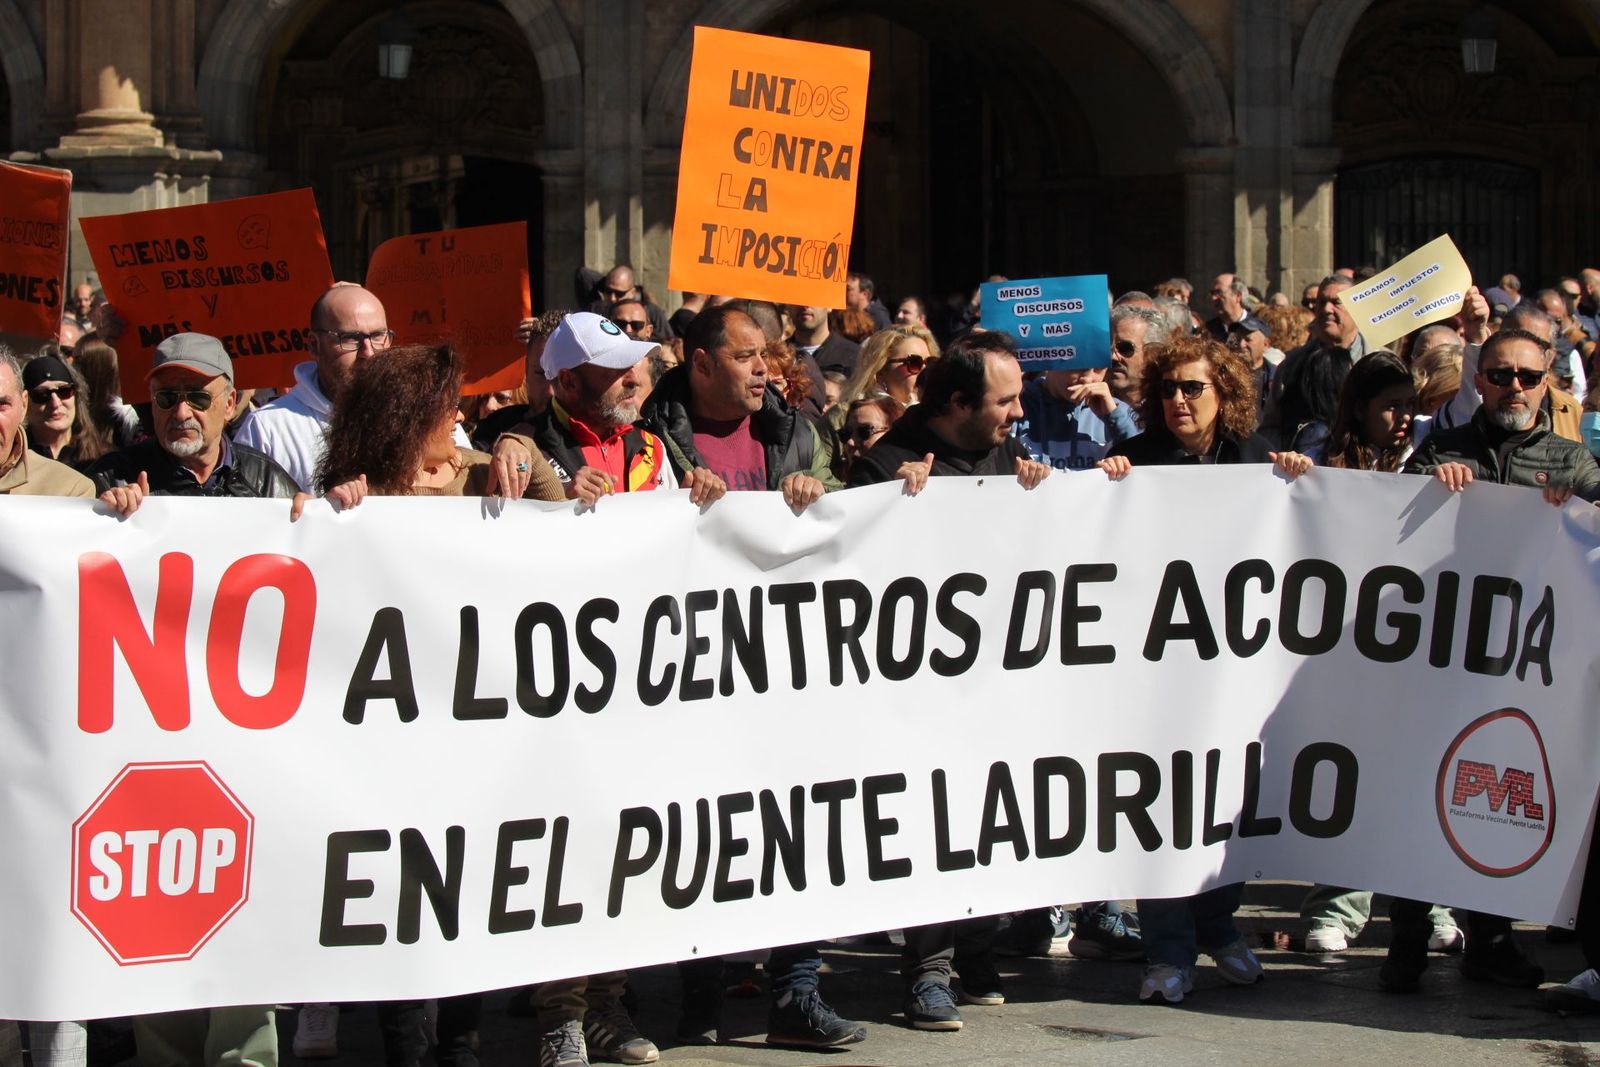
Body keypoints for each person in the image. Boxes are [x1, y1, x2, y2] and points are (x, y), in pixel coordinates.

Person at [846, 330, 1050, 1031]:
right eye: (1007, 399)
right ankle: (927, 970)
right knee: (934, 823)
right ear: (958, 403)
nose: (1019, 413)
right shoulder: (885, 467)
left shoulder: (1006, 453)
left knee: (990, 816)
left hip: (995, 681)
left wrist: (1045, 499)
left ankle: (978, 949)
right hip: (920, 692)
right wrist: (893, 515)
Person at [1098, 335, 1307, 1005]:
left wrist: (1305, 485)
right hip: (1154, 671)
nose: (1179, 400)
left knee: (1227, 803)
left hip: (1234, 670)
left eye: (1193, 387)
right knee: (1161, 805)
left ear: (1226, 394)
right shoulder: (1132, 462)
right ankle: (1167, 946)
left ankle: (1217, 925)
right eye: (1167, 389)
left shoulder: (1259, 464)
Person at [488, 312, 725, 508]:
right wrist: (561, 500)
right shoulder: (523, 449)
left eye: (631, 366)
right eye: (615, 369)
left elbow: (669, 537)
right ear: (570, 381)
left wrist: (692, 499)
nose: (634, 380)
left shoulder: (653, 446)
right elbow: (508, 540)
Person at [89, 334, 298, 503]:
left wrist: (308, 516)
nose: (181, 413)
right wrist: (107, 515)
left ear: (229, 404)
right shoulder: (112, 477)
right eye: (166, 398)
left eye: (198, 398)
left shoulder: (265, 481)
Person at [233, 284, 395, 492]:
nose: (368, 352)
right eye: (350, 338)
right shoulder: (269, 428)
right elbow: (246, 514)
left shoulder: (416, 416)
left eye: (377, 336)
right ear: (314, 344)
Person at [1263, 274, 1368, 447]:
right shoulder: (1292, 364)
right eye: (1321, 302)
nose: (1327, 309)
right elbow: (1271, 427)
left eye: (1336, 302)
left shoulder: (1377, 363)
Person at [1012, 363, 1138, 471]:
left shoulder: (1118, 410)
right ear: (1053, 357)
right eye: (1080, 366)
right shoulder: (1018, 408)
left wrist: (1115, 418)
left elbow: (1143, 467)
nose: (1088, 379)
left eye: (1099, 368)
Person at [22, 354, 108, 470]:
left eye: (64, 391)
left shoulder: (105, 460)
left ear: (76, 397)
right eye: (42, 395)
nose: (55, 403)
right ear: (24, 403)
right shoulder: (10, 463)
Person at [836, 325, 938, 422]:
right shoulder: (844, 417)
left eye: (930, 362)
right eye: (914, 363)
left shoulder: (941, 418)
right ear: (881, 372)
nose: (925, 370)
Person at [73, 338, 142, 448]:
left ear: (99, 367)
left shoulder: (131, 423)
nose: (72, 367)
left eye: (78, 361)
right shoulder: (71, 410)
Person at [1108, 305, 1170, 409]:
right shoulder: (1090, 407)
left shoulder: (1167, 408)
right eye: (1108, 347)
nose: (1113, 357)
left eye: (1125, 348)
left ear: (1153, 354)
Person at [786, 303, 860, 378]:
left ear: (829, 306)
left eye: (814, 297)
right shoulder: (777, 355)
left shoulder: (854, 356)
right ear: (788, 306)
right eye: (798, 298)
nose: (805, 305)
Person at [839, 394, 903, 477]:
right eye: (846, 433)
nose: (850, 442)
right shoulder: (830, 484)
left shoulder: (917, 481)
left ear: (893, 434)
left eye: (864, 431)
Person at [1205, 272, 1249, 340]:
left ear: (1238, 296)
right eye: (1212, 293)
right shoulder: (1207, 331)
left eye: (1219, 292)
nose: (1213, 298)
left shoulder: (1257, 328)